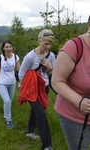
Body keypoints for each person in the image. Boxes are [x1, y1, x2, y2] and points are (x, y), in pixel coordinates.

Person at [51, 16, 90, 150]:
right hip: (75, 116)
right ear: (89, 23)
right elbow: (56, 81)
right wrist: (80, 102)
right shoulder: (74, 47)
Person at [18, 29, 55, 150]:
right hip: (32, 89)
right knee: (41, 114)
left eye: (50, 44)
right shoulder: (30, 56)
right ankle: (47, 145)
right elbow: (21, 73)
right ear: (39, 41)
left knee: (36, 111)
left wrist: (50, 67)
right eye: (46, 43)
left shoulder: (51, 56)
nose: (48, 46)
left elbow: (54, 72)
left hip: (45, 87)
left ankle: (29, 131)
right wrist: (23, 90)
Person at [0, 40, 20, 129]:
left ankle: (5, 115)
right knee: (7, 100)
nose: (9, 48)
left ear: (12, 47)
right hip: (2, 83)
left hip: (12, 83)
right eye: (7, 47)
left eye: (10, 47)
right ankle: (9, 120)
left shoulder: (15, 57)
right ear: (3, 48)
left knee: (9, 101)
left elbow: (18, 71)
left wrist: (20, 82)